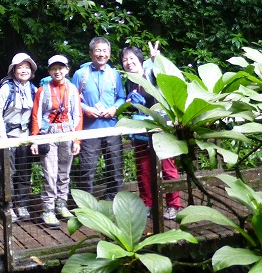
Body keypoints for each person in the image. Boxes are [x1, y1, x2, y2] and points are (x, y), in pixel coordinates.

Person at [121, 44, 182, 220]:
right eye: (125, 60)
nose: (128, 62)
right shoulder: (130, 81)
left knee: (167, 167)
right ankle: (147, 204)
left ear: (140, 59)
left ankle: (173, 205)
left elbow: (166, 76)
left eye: (132, 58)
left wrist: (157, 59)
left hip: (161, 128)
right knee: (143, 169)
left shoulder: (151, 73)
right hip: (141, 130)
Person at [71, 37, 126, 201]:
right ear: (90, 53)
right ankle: (86, 204)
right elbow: (72, 99)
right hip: (89, 130)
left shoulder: (114, 74)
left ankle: (112, 201)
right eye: (98, 50)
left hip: (111, 128)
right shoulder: (81, 74)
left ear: (109, 53)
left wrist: (114, 108)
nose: (101, 54)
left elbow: (121, 97)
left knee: (115, 167)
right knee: (87, 169)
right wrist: (85, 109)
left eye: (105, 51)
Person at [30, 55, 82, 228]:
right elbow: (36, 115)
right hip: (48, 133)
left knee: (64, 171)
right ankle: (48, 209)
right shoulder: (42, 90)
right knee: (50, 173)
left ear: (67, 70)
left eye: (61, 68)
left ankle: (61, 204)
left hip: (67, 131)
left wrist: (77, 139)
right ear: (49, 71)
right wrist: (35, 139)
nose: (57, 71)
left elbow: (77, 115)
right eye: (54, 68)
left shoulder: (72, 89)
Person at [0, 53, 38, 222]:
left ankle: (22, 204)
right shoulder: (6, 88)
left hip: (25, 137)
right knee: (7, 172)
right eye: (20, 67)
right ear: (13, 70)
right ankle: (7, 206)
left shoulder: (33, 90)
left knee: (24, 171)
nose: (24, 70)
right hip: (8, 136)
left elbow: (37, 114)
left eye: (27, 67)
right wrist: (3, 139)